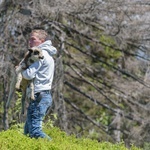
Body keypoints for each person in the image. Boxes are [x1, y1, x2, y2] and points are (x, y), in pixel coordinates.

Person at [22, 29, 57, 140]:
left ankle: (53, 146)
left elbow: (29, 75)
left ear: (42, 41)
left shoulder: (39, 55)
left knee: (35, 131)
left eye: (33, 39)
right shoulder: (49, 55)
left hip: (39, 96)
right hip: (43, 96)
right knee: (28, 132)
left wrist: (20, 70)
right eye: (30, 39)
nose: (30, 41)